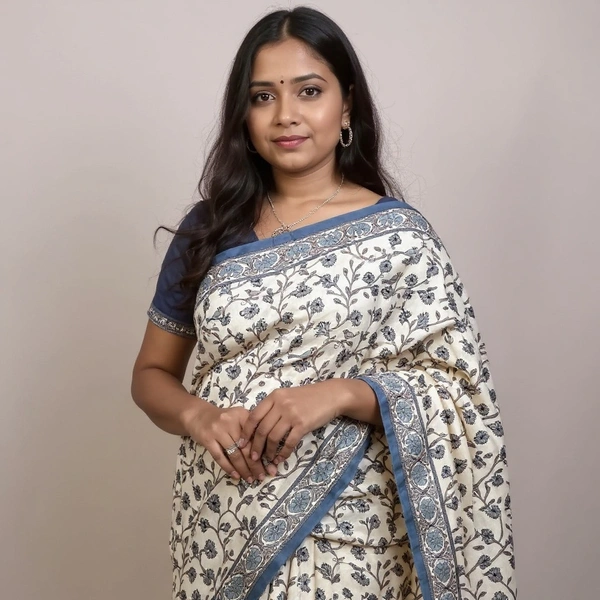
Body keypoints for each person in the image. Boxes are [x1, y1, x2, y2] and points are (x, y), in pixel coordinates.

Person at [131, 6, 516, 600]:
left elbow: (462, 393)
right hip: (220, 528)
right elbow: (151, 375)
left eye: (309, 91)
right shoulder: (208, 229)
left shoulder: (401, 239)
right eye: (263, 96)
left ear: (347, 106)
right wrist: (198, 417)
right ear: (243, 115)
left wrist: (338, 394)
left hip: (354, 532)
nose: (285, 114)